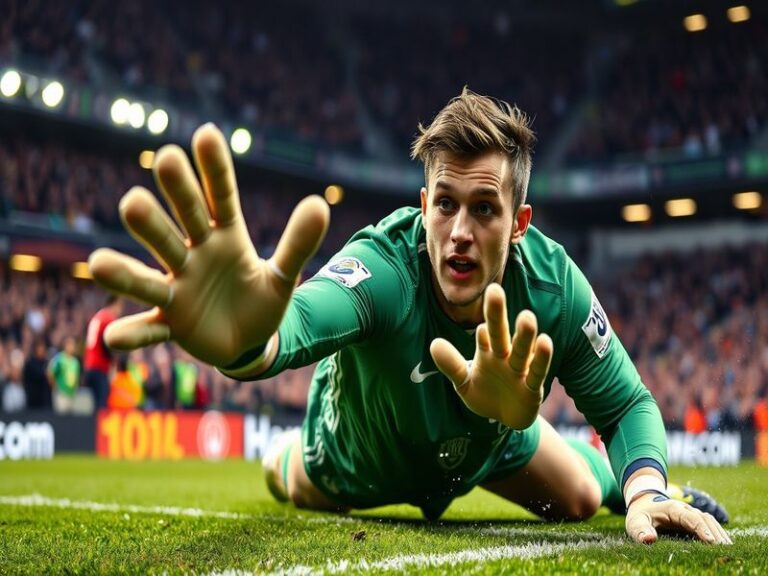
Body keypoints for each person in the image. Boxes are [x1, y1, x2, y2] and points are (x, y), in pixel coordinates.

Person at [88, 88, 731, 545]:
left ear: (519, 223)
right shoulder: (385, 269)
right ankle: (285, 455)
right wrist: (245, 343)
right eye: (445, 204)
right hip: (353, 461)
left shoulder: (554, 286)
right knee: (294, 480)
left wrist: (646, 487)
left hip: (489, 444)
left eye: (484, 209)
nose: (458, 231)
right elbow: (299, 323)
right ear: (423, 205)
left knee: (584, 498)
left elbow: (625, 406)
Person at [83, 294, 123, 410]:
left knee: (95, 406)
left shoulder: (97, 317)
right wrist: (113, 364)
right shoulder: (108, 318)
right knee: (102, 405)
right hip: (100, 367)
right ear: (115, 304)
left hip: (89, 366)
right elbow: (108, 343)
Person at [47, 335, 81, 414]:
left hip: (72, 394)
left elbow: (76, 377)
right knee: (61, 417)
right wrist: (54, 386)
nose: (72, 347)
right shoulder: (59, 359)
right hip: (61, 393)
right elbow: (50, 372)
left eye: (73, 345)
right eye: (70, 344)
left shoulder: (75, 362)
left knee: (70, 418)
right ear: (65, 345)